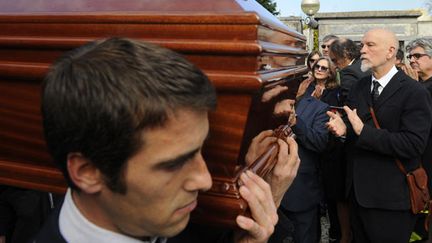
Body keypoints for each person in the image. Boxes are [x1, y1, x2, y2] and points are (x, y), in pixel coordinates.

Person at [31, 37, 300, 243]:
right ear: (88, 172)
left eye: (200, 150)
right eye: (173, 164)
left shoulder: (178, 219)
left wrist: (261, 188)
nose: (205, 180)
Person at [326, 28, 432, 242]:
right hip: (357, 197)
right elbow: (352, 128)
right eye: (362, 45)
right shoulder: (359, 86)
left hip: (391, 201)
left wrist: (363, 132)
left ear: (391, 51)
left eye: (370, 45)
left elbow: (413, 144)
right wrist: (343, 130)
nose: (362, 50)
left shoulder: (414, 92)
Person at [329, 38, 369, 105]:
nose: (334, 65)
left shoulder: (348, 72)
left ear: (345, 54)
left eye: (334, 60)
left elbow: (349, 103)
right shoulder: (364, 64)